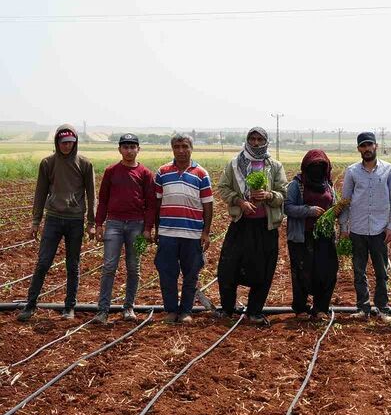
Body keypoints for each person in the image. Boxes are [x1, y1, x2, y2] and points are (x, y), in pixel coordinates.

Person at [18, 124, 96, 322]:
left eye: (70, 142)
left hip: (75, 221)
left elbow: (91, 194)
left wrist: (91, 222)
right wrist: (35, 221)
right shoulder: (47, 163)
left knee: (73, 264)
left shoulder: (85, 164)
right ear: (57, 142)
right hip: (53, 219)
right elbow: (40, 193)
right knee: (43, 262)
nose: (67, 146)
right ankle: (30, 304)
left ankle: (70, 306)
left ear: (75, 142)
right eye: (63, 143)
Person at [216, 127, 287, 325]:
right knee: (228, 268)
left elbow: (283, 193)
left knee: (263, 270)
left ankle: (255, 311)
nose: (255, 142)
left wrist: (269, 195)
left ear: (265, 141)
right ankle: (227, 309)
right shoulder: (235, 164)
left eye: (259, 139)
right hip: (241, 224)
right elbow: (223, 187)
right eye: (252, 138)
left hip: (265, 227)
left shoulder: (274, 166)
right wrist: (240, 202)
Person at [91, 133, 157, 324]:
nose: (129, 150)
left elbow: (151, 204)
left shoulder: (145, 173)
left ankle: (129, 307)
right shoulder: (111, 171)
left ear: (138, 149)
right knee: (109, 266)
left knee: (134, 268)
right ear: (119, 149)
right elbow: (102, 200)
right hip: (114, 225)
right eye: (125, 147)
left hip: (137, 227)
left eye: (132, 147)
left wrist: (148, 229)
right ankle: (102, 310)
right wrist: (98, 224)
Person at [339, 132, 391, 322]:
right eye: (363, 146)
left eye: (369, 145)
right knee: (359, 270)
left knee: (381, 272)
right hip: (357, 229)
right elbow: (345, 201)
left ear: (376, 146)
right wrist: (343, 226)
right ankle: (363, 308)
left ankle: (383, 309)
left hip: (379, 230)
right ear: (359, 149)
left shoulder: (388, 170)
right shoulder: (352, 171)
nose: (366, 149)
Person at [154, 134, 213, 324]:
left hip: (192, 233)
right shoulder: (162, 172)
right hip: (167, 233)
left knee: (191, 274)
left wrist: (206, 232)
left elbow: (208, 205)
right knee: (167, 273)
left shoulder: (201, 174)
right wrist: (156, 229)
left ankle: (186, 310)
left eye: (185, 146)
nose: (181, 150)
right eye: (177, 146)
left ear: (191, 148)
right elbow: (157, 203)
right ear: (172, 149)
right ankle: (171, 310)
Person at [285, 149, 339, 319]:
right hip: (302, 236)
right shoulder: (297, 185)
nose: (317, 168)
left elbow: (334, 204)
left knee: (327, 271)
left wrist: (332, 214)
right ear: (305, 167)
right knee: (302, 271)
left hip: (324, 236)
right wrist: (308, 211)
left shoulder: (328, 184)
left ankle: (321, 308)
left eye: (320, 165)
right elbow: (287, 207)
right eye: (313, 165)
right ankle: (301, 308)